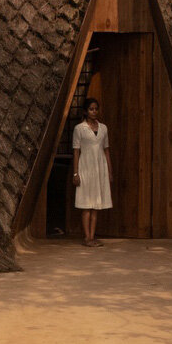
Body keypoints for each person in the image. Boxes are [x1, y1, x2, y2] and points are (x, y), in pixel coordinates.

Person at [71, 97, 112, 246]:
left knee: (96, 206)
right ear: (85, 111)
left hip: (100, 168)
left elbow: (106, 150)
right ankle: (87, 237)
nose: (94, 112)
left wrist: (110, 171)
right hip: (85, 168)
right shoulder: (79, 129)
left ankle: (92, 237)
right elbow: (76, 151)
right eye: (91, 109)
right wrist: (76, 173)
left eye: (96, 109)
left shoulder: (103, 128)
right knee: (86, 204)